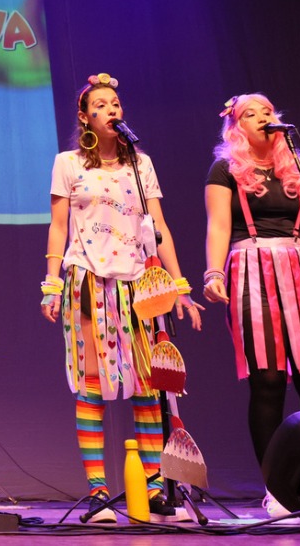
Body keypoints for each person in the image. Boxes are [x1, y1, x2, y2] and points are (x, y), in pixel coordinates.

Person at [40, 73, 201, 522]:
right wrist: (51, 283)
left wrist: (180, 286)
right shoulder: (68, 163)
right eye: (102, 104)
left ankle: (150, 487)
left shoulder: (140, 164)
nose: (113, 109)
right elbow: (57, 226)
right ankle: (97, 492)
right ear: (85, 115)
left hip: (137, 285)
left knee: (146, 385)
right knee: (92, 383)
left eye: (116, 103)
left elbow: (160, 228)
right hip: (88, 279)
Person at [202, 92, 300, 519]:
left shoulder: (296, 167)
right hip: (251, 267)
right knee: (268, 379)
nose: (262, 117)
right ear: (236, 126)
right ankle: (277, 487)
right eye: (250, 113)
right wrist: (213, 273)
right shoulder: (225, 169)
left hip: (298, 268)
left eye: (267, 110)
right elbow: (219, 224)